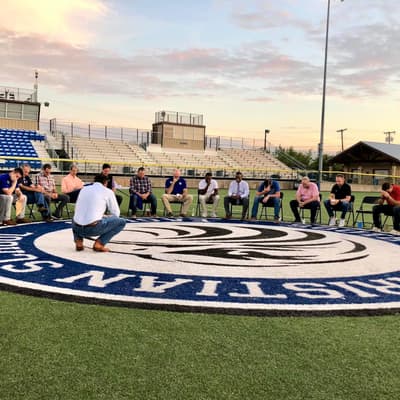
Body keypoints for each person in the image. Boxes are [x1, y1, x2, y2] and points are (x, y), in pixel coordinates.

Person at [72, 174, 126, 252]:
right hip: (93, 228)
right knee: (121, 222)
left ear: (94, 181)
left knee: (76, 217)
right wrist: (106, 216)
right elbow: (116, 213)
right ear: (105, 182)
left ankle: (78, 242)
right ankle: (100, 243)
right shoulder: (108, 191)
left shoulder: (84, 189)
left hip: (76, 227)